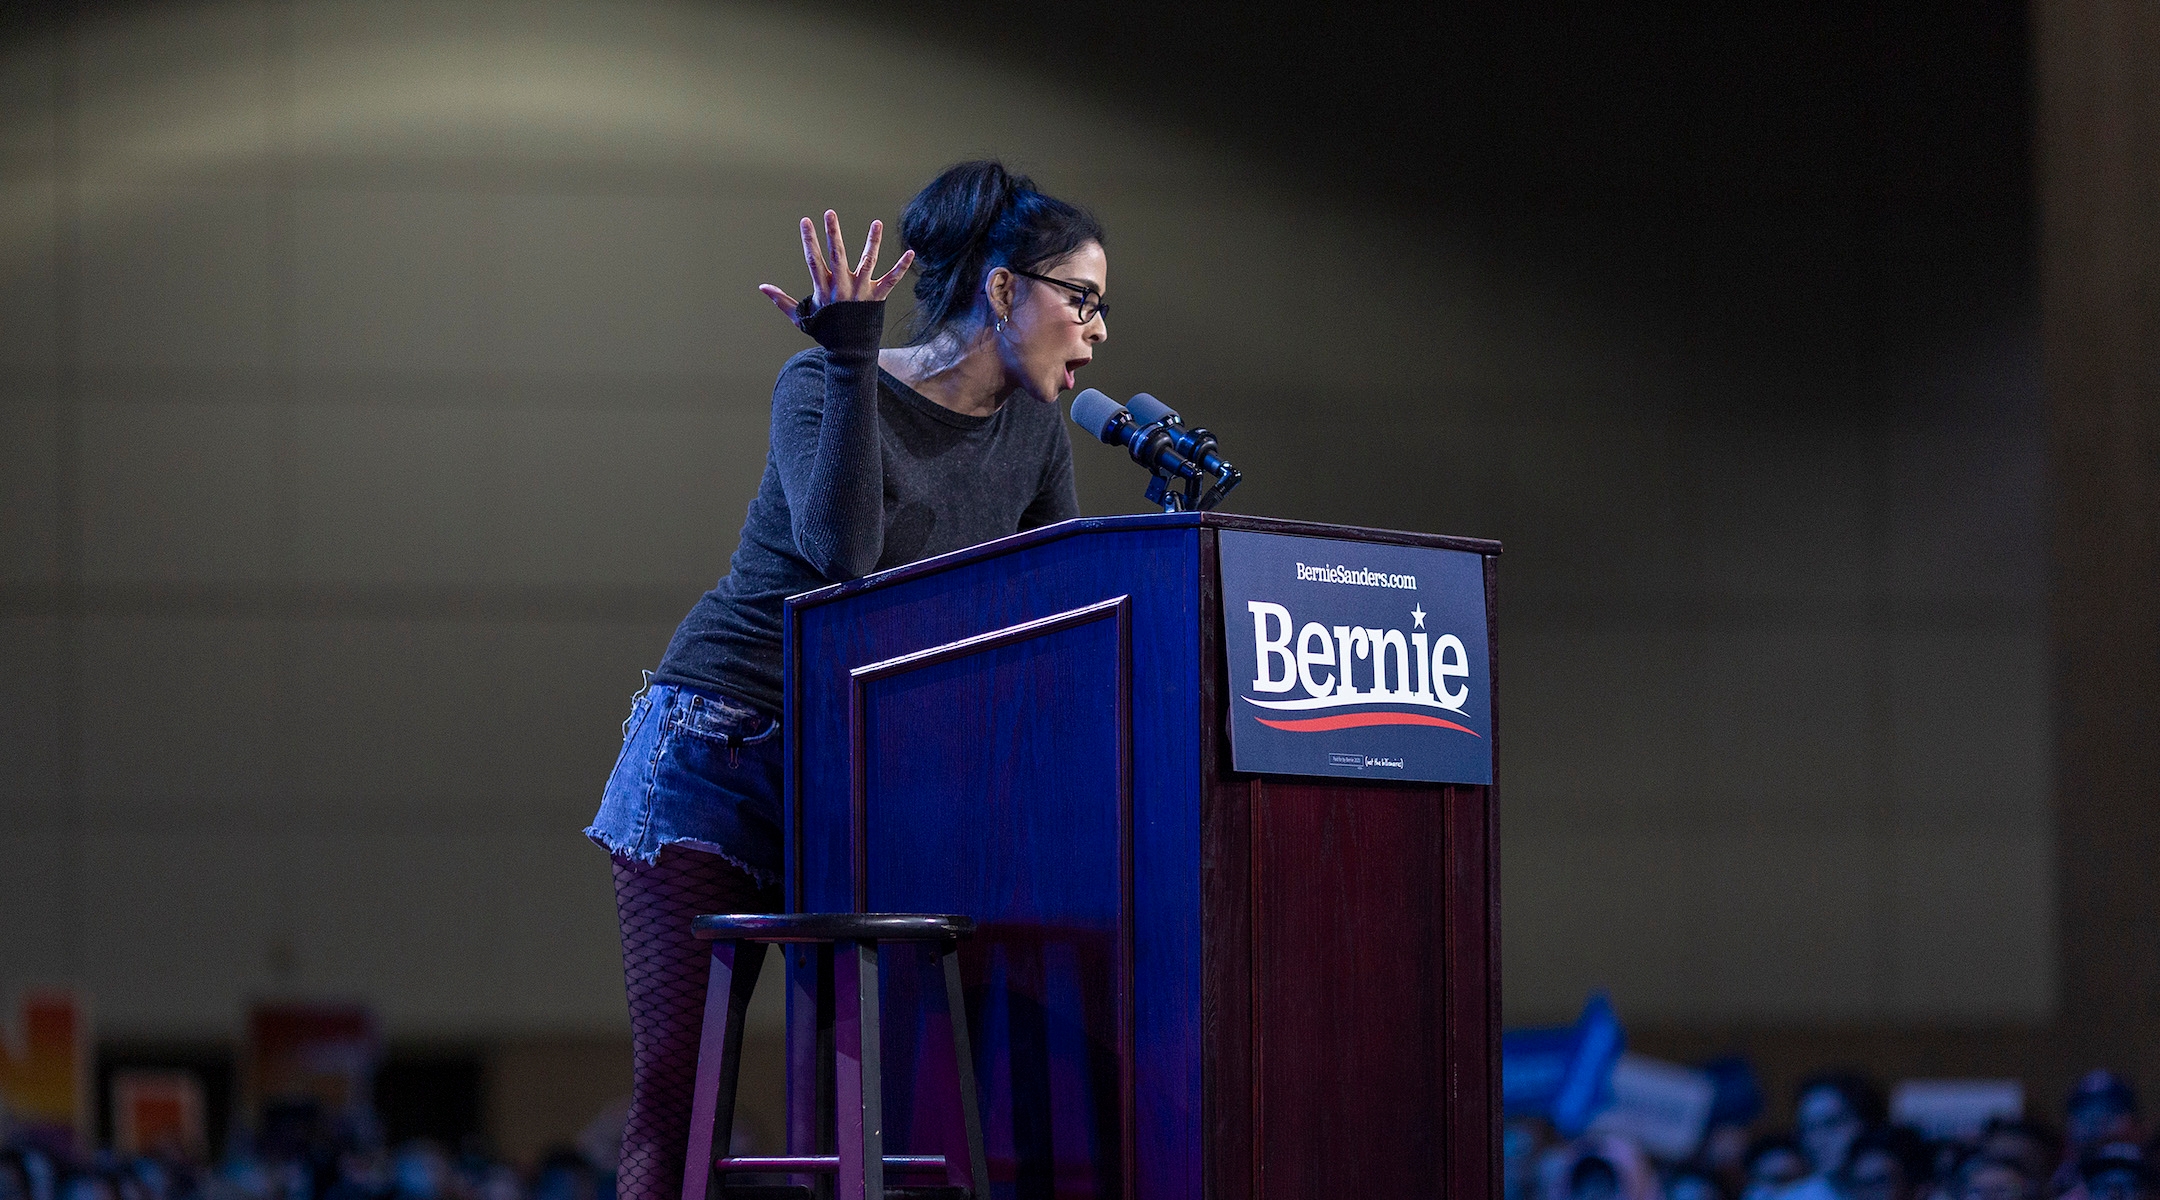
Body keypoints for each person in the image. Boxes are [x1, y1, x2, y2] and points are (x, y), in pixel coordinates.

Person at [584, 160, 1108, 1200]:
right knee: (684, 1090)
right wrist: (850, 355)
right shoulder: (822, 379)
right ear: (1004, 289)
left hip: (877, 777)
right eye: (1081, 300)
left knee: (855, 1106)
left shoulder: (1039, 435)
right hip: (719, 753)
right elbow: (843, 558)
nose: (1097, 332)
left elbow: (1057, 621)